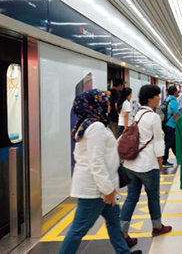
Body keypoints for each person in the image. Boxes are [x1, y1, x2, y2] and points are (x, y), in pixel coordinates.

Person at [59, 89, 131, 254]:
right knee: (78, 230)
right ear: (95, 105)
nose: (108, 106)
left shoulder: (90, 124)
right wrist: (107, 190)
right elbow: (96, 162)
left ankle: (123, 252)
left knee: (114, 222)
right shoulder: (96, 127)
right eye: (105, 102)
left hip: (103, 187)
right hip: (95, 190)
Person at [120, 85, 172, 242]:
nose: (159, 98)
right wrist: (160, 159)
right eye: (157, 95)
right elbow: (158, 141)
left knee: (131, 198)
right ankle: (157, 227)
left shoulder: (138, 114)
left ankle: (123, 233)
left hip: (131, 165)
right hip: (147, 165)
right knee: (153, 197)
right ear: (150, 98)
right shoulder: (154, 117)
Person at [162, 86, 179, 166]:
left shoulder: (167, 99)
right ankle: (163, 160)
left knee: (173, 142)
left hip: (165, 123)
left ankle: (179, 157)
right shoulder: (174, 101)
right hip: (171, 124)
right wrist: (178, 125)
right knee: (168, 143)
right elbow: (175, 115)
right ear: (175, 92)